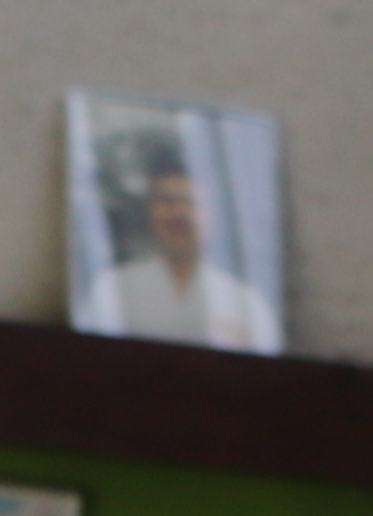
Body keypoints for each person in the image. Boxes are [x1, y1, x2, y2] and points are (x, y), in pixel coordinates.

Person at [80, 121, 281, 354]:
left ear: (214, 215)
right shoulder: (111, 290)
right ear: (150, 212)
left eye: (190, 202)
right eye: (167, 201)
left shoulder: (246, 303)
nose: (178, 213)